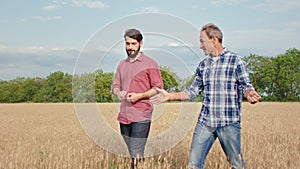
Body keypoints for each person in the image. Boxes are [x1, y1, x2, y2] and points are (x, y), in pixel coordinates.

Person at [150, 23, 261, 169]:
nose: (200, 46)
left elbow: (245, 85)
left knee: (236, 165)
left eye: (202, 41)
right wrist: (169, 96)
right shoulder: (203, 65)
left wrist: (250, 93)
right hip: (205, 123)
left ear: (214, 39)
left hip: (228, 122)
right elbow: (192, 91)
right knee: (194, 164)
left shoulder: (236, 61)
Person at [111, 28, 164, 168]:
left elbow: (158, 88)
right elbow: (115, 86)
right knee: (132, 152)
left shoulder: (150, 63)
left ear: (141, 43)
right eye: (127, 44)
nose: (130, 47)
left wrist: (140, 96)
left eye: (133, 44)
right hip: (124, 115)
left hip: (142, 114)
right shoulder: (122, 64)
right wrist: (119, 93)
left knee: (136, 150)